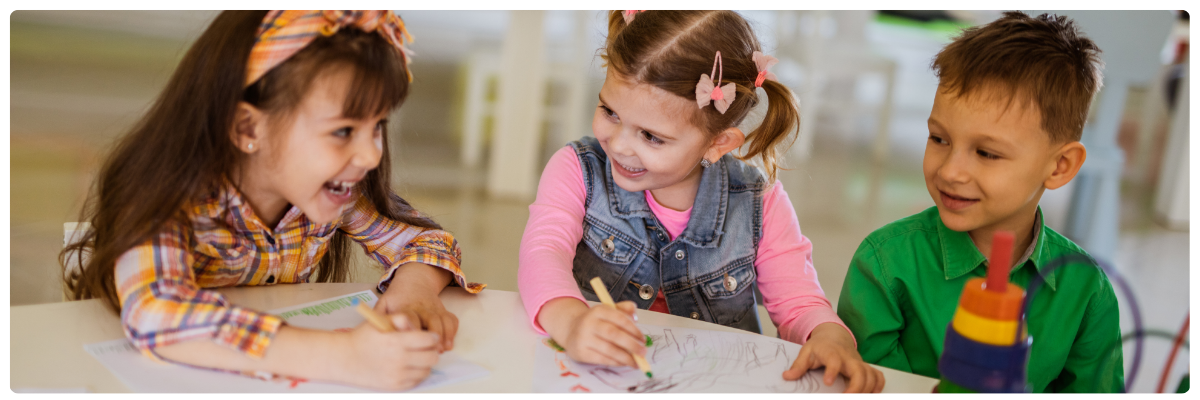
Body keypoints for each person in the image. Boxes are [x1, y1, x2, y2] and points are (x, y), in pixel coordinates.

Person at [60, 10, 482, 391]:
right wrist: (343, 357)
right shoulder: (164, 195)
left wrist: (415, 291)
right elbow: (158, 313)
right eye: (343, 131)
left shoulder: (335, 191)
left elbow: (426, 241)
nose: (372, 155)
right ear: (248, 127)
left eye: (377, 126)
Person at [518, 9, 884, 394]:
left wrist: (828, 337)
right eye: (610, 112)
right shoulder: (577, 169)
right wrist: (572, 322)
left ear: (717, 143)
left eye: (651, 136)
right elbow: (543, 253)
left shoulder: (760, 203)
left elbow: (798, 301)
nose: (620, 144)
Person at [837, 11, 1123, 393]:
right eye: (939, 139)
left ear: (1060, 166)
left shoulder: (1087, 292)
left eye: (987, 153)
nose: (951, 172)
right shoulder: (885, 265)